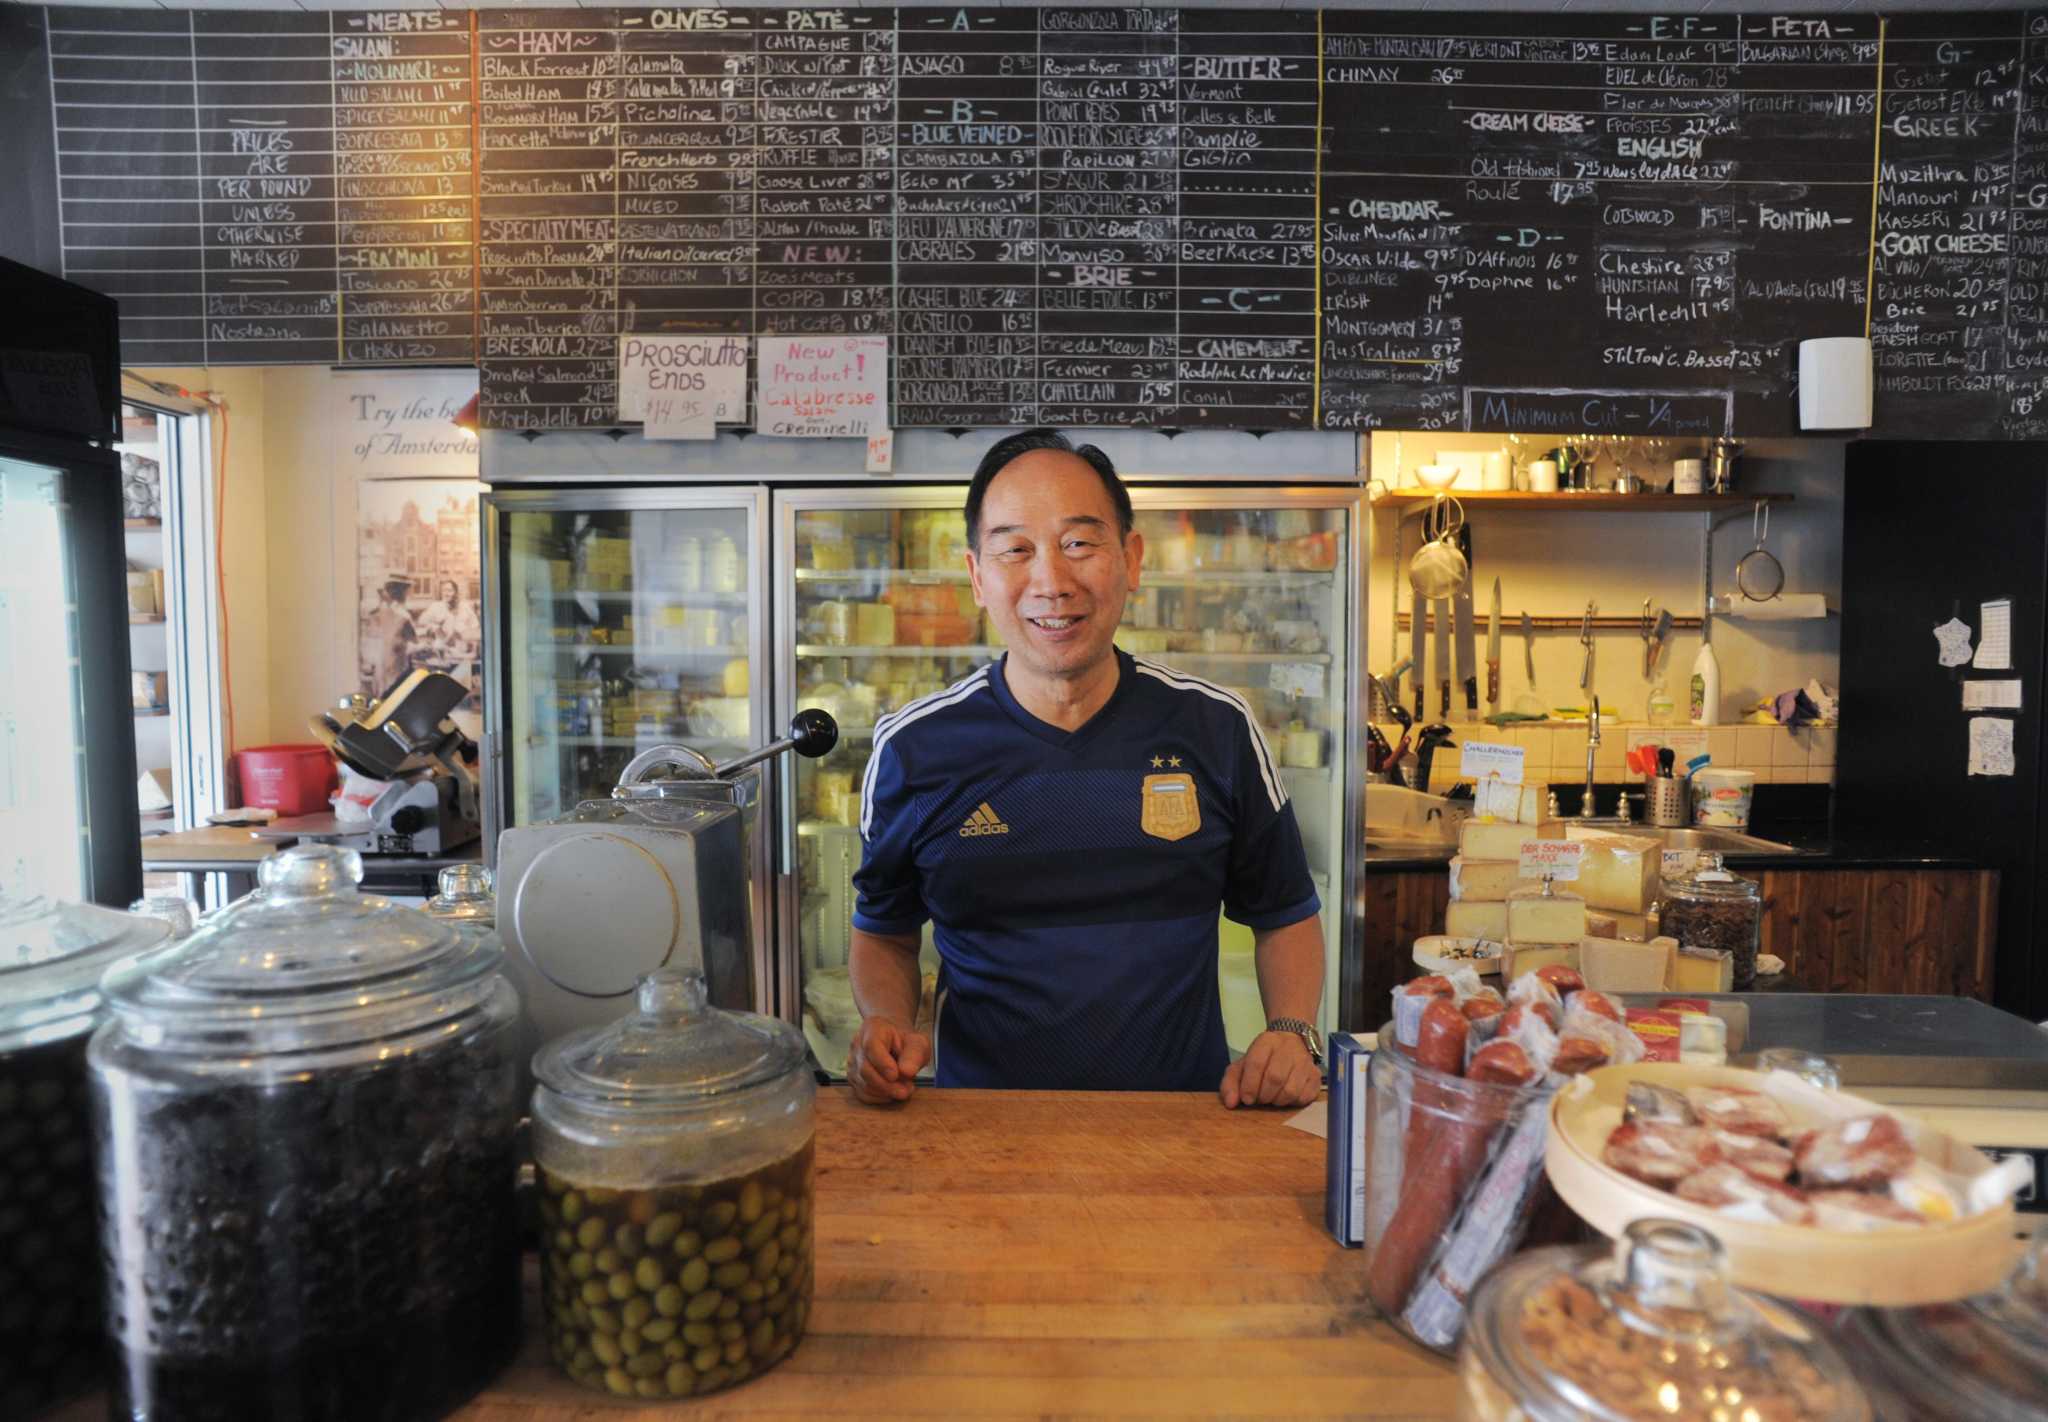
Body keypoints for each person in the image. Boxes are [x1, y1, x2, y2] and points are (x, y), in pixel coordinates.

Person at [846, 430, 1325, 1110]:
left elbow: (1285, 912)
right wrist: (885, 1023)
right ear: (978, 577)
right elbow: (885, 928)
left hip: (1180, 1129)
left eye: (1079, 543)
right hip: (980, 1133)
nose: (1051, 582)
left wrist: (1291, 1030)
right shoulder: (914, 751)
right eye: (1016, 550)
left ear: (1131, 558)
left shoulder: (1215, 730)